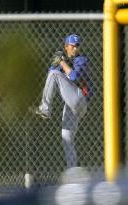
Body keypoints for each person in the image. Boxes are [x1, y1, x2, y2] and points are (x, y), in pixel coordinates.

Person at [36, 34, 92, 168]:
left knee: (54, 74)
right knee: (67, 138)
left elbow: (74, 77)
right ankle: (72, 171)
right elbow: (51, 74)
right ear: (66, 47)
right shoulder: (63, 63)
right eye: (73, 46)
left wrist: (61, 62)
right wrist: (56, 64)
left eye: (77, 46)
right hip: (71, 104)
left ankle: (45, 108)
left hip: (80, 98)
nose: (75, 49)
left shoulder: (81, 60)